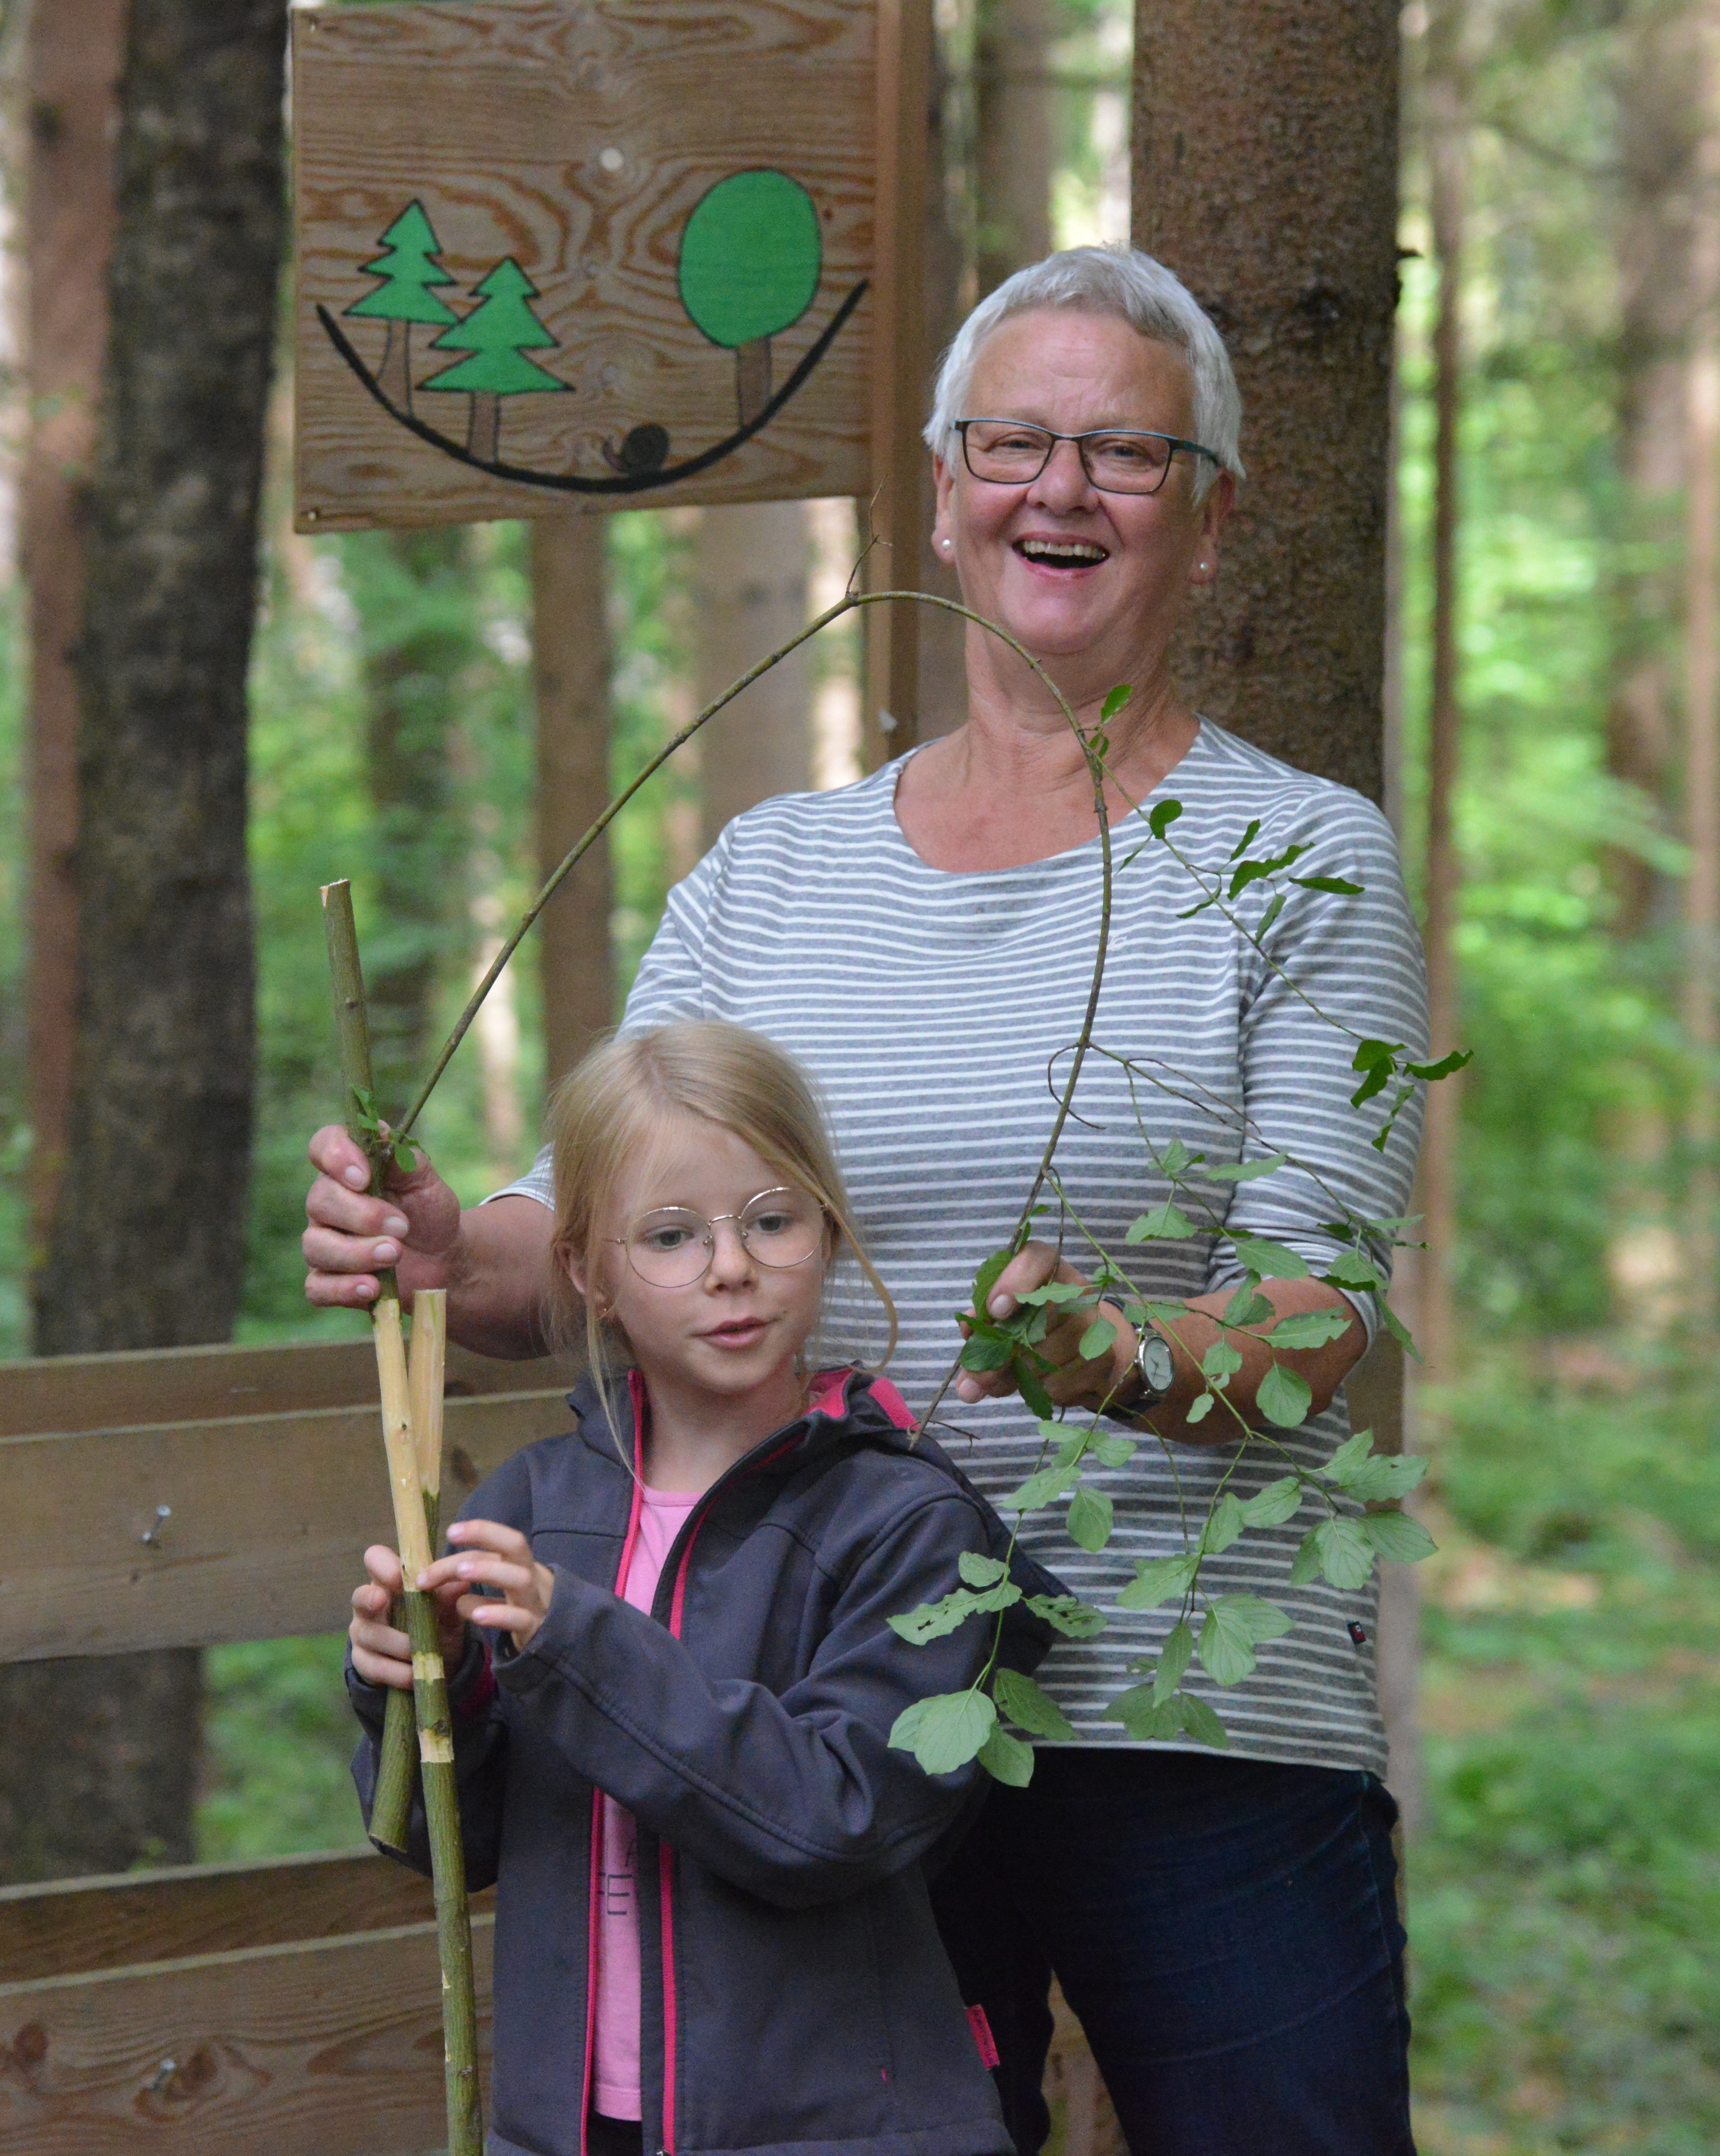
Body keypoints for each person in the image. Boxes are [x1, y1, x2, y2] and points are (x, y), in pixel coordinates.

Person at [312, 245, 1426, 2155]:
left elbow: (1319, 1326)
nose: (1055, 491)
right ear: (937, 487)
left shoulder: (1297, 853)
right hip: (825, 1717)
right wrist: (441, 1245)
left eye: (1124, 456)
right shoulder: (771, 874)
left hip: (1189, 1721)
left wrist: (1123, 1355)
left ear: (1212, 519)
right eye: (1011, 441)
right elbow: (576, 1233)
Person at [348, 1020, 1055, 2156]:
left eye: (771, 1221)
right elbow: (453, 1845)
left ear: (827, 1228)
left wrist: (578, 1644)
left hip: (833, 2133)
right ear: (589, 1273)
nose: (730, 1267)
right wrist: (426, 1682)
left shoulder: (913, 1525)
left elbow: (837, 1820)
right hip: (569, 2130)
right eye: (671, 1236)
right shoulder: (536, 1511)